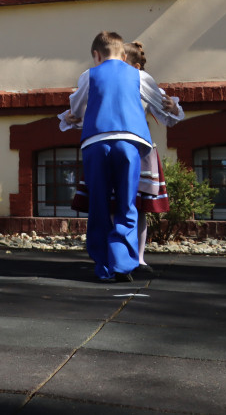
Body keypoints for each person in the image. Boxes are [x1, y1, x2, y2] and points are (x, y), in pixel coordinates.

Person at [65, 40, 183, 275]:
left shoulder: (140, 81)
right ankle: (115, 259)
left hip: (138, 150)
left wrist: (173, 107)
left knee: (137, 207)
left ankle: (136, 258)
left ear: (132, 66)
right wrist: (71, 118)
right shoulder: (101, 80)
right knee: (114, 204)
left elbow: (168, 113)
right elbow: (86, 112)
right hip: (114, 146)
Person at [59, 31, 152, 282]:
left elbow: (77, 108)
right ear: (124, 56)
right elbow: (161, 103)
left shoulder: (89, 75)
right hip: (129, 141)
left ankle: (103, 266)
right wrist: (174, 107)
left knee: (99, 204)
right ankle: (123, 263)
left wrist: (70, 117)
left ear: (96, 55)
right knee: (126, 203)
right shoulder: (138, 75)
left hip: (96, 142)